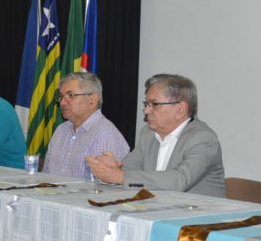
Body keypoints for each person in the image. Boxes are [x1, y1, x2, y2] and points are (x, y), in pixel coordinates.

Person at [86, 73, 226, 197]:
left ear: (181, 109)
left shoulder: (203, 138)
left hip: (197, 220)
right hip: (157, 211)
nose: (146, 111)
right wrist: (106, 171)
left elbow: (179, 181)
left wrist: (120, 176)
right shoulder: (148, 134)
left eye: (155, 104)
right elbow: (129, 176)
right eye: (146, 103)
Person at [41, 72, 129, 178]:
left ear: (92, 101)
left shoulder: (104, 134)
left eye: (70, 96)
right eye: (61, 97)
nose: (62, 103)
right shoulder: (61, 130)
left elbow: (103, 188)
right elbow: (46, 174)